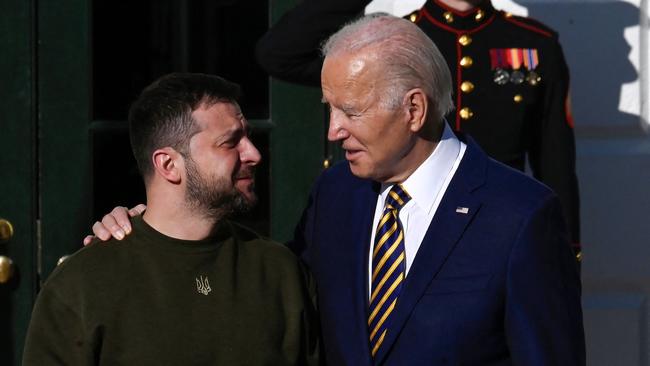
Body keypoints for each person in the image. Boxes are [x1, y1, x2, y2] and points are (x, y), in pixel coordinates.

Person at [90, 15, 584, 365]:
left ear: (413, 110)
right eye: (330, 108)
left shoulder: (519, 216)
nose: (333, 130)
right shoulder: (338, 191)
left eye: (351, 111)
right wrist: (151, 235)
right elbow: (268, 291)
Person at [23, 73, 320, 366]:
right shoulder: (82, 286)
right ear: (168, 165)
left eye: (249, 138)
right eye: (230, 143)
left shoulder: (280, 272)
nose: (254, 154)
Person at [255, 0, 582, 260]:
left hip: (496, 233)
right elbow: (279, 53)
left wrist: (564, 258)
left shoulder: (534, 45)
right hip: (403, 226)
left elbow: (556, 167)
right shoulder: (397, 41)